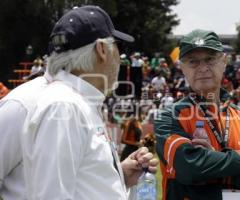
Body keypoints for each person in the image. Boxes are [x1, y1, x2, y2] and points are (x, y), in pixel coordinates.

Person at [0, 5, 157, 200]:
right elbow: (52, 195)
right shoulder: (64, 105)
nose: (119, 57)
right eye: (118, 46)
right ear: (101, 50)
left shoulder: (76, 100)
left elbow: (80, 183)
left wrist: (118, 175)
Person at [154, 29, 240, 200]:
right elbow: (188, 168)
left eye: (210, 59)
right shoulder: (170, 116)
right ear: (182, 67)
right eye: (192, 61)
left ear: (224, 62)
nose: (203, 68)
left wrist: (216, 168)